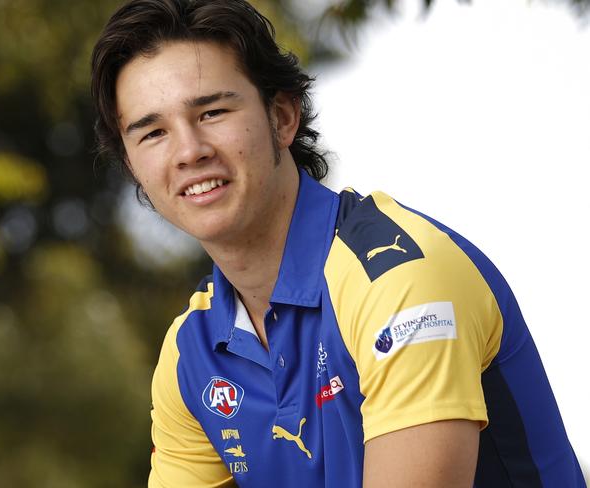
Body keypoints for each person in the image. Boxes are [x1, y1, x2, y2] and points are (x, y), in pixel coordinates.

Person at [90, 1, 585, 486]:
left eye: (213, 112)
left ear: (283, 117)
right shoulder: (190, 352)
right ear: (132, 165)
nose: (189, 151)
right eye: (153, 133)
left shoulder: (399, 280)